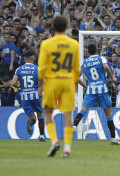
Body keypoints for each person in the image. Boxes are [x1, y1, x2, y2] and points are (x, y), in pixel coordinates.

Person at [38, 15, 80, 157]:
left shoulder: (46, 44)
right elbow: (77, 69)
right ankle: (67, 148)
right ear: (66, 27)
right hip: (68, 81)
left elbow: (42, 68)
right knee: (67, 114)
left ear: (53, 27)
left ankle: (54, 140)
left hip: (52, 81)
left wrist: (40, 86)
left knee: (48, 112)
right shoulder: (74, 44)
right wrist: (74, 84)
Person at [72, 44, 120, 145]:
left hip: (91, 91)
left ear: (88, 52)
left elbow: (76, 78)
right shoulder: (101, 58)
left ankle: (74, 126)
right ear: (97, 50)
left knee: (82, 111)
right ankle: (113, 138)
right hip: (102, 90)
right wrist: (112, 78)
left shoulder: (84, 63)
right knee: (108, 114)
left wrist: (86, 86)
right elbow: (106, 66)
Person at [10, 51, 45, 141]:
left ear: (25, 59)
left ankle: (32, 121)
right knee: (40, 114)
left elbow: (12, 83)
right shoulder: (38, 69)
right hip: (35, 94)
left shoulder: (19, 69)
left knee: (32, 116)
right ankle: (41, 136)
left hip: (24, 95)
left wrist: (20, 86)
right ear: (33, 59)